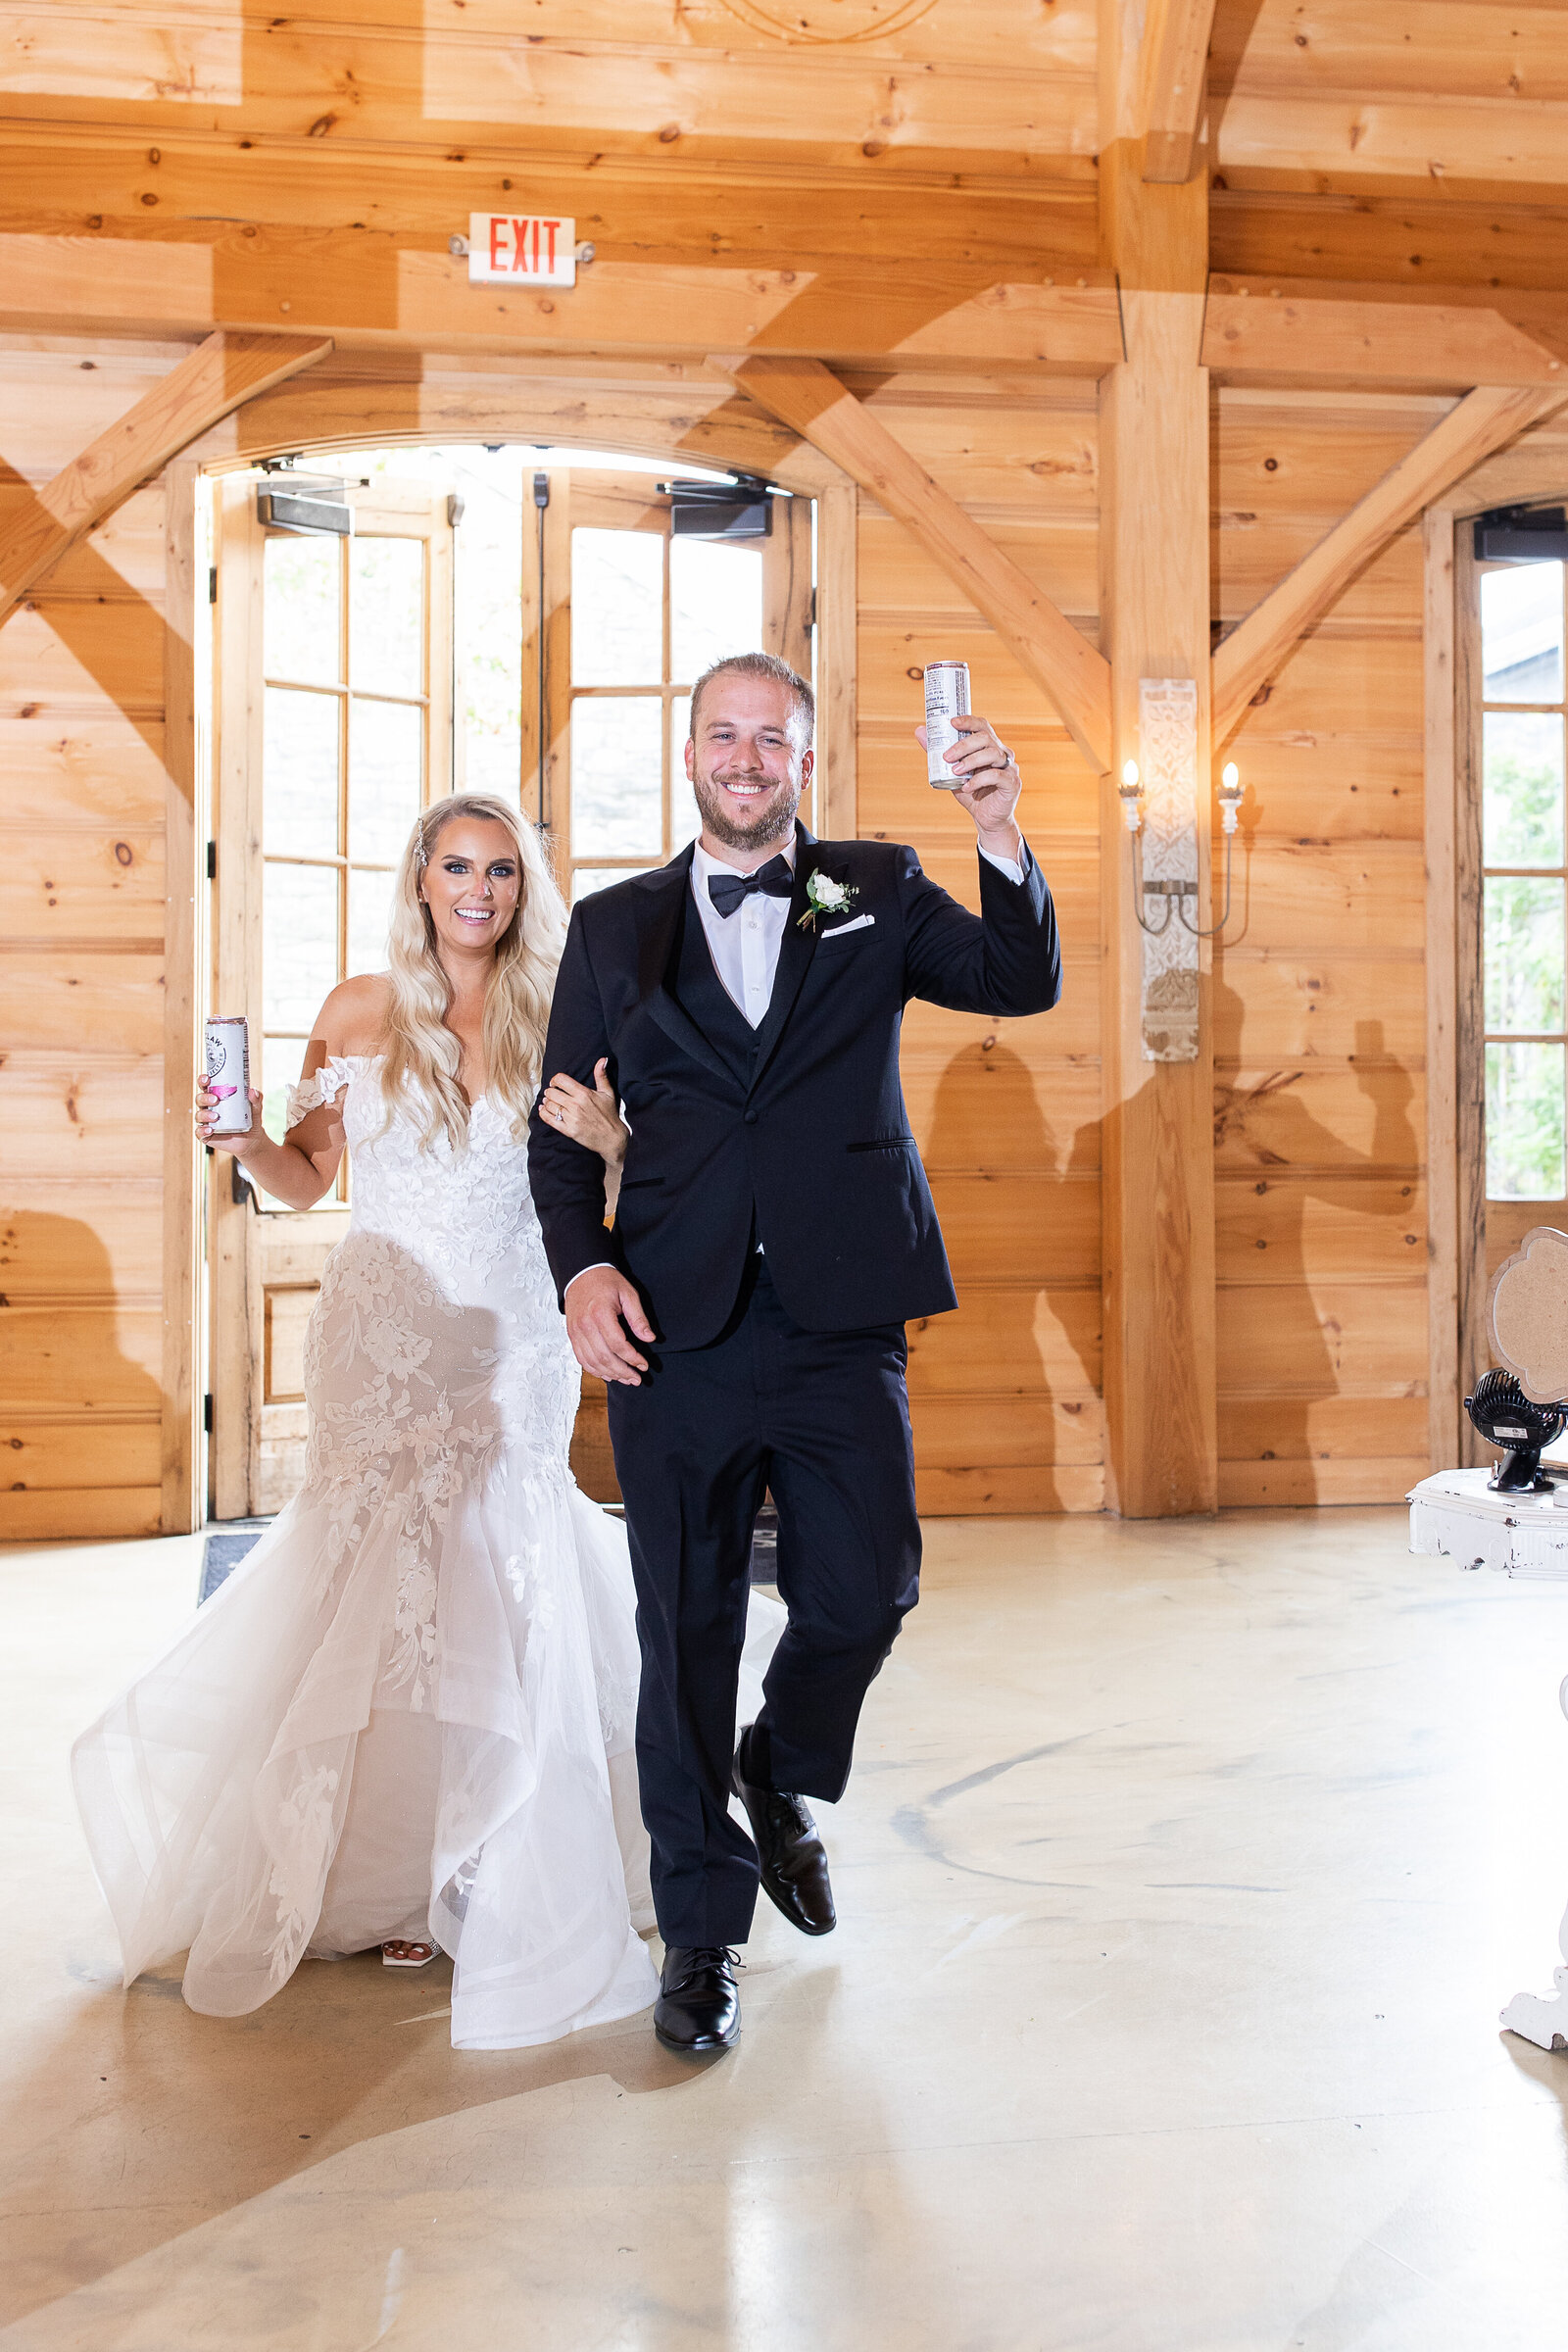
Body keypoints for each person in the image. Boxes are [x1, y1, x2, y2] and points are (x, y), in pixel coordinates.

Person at [73, 793, 776, 2052]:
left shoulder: (566, 1008)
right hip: (384, 1327)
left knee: (497, 1567)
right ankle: (392, 1874)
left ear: (522, 888)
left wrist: (616, 1142)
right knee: (376, 1576)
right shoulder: (356, 1012)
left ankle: (494, 1865)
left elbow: (620, 1178)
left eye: (501, 871)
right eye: (457, 866)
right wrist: (238, 1144)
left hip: (513, 1326)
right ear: (419, 879)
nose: (478, 890)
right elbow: (303, 1178)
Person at [528, 653, 1060, 2055]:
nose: (750, 759)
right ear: (688, 750)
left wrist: (1000, 836)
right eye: (726, 736)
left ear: (805, 766)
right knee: (685, 1628)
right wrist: (581, 1264)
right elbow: (556, 1124)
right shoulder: (613, 925)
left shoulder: (872, 888)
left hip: (840, 1316)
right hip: (672, 1325)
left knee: (868, 1587)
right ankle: (701, 1939)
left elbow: (1019, 975)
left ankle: (783, 1764)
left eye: (775, 741)